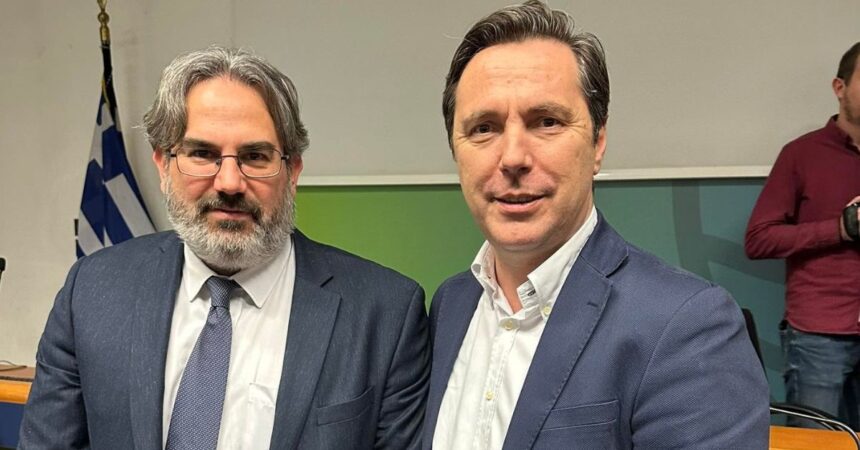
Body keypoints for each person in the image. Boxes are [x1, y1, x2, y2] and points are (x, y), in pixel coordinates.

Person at [19, 46, 429, 449]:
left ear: (292, 171)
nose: (230, 182)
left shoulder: (386, 314)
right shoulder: (92, 292)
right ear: (163, 166)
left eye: (255, 156)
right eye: (202, 153)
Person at [423, 1, 770, 448]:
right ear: (456, 149)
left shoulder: (688, 326)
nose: (512, 158)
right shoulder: (451, 304)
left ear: (598, 143)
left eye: (546, 122)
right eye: (484, 128)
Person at [745, 42, 860, 429]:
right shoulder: (801, 155)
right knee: (815, 443)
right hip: (819, 336)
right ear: (839, 87)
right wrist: (839, 229)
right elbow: (759, 239)